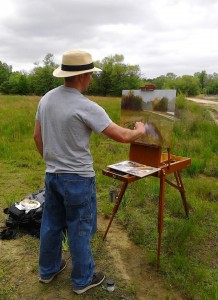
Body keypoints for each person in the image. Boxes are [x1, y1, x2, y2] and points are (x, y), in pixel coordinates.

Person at [33, 49, 146, 294]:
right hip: (78, 180)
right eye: (91, 75)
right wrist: (139, 130)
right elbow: (122, 135)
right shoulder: (86, 106)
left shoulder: (46, 99)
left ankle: (48, 270)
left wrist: (52, 161)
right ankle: (83, 280)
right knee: (80, 227)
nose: (92, 79)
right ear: (83, 76)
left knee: (51, 224)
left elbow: (37, 136)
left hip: (52, 175)